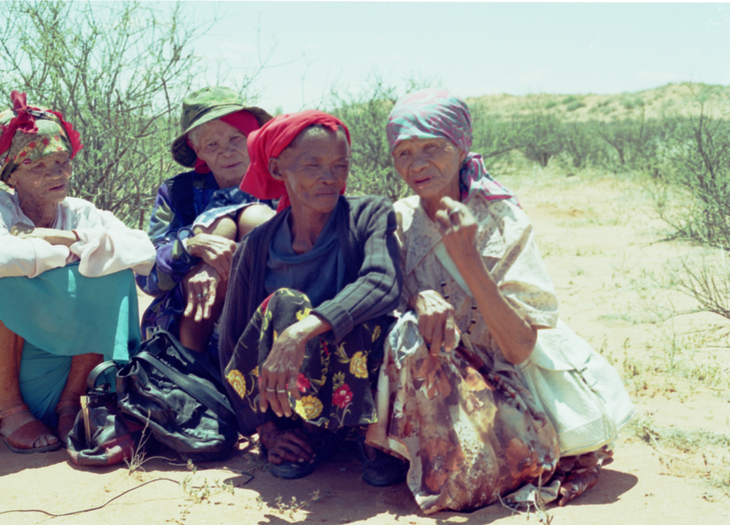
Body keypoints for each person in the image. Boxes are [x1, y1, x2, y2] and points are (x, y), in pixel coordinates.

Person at [366, 89, 611, 513]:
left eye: (433, 148)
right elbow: (380, 292)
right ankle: (392, 448)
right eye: (404, 152)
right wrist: (417, 298)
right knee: (403, 328)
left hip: (504, 378)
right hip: (435, 374)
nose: (417, 164)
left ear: (461, 148)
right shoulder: (399, 219)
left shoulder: (504, 222)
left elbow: (519, 348)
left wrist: (468, 259)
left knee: (472, 484)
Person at [0, 91, 156, 453]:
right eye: (38, 167)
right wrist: (76, 254)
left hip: (62, 374)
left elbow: (142, 250)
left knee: (113, 271)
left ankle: (71, 403)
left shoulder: (80, 213)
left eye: (61, 161)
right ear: (11, 177)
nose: (56, 174)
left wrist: (67, 238)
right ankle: (8, 410)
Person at [219, 110, 406, 483]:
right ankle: (299, 434)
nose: (329, 178)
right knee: (285, 302)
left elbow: (382, 283)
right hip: (290, 406)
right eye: (313, 165)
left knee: (367, 317)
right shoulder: (257, 245)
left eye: (340, 165)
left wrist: (299, 333)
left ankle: (368, 437)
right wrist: (267, 430)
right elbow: (233, 339)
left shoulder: (369, 214)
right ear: (277, 169)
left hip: (360, 388)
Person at [137, 86, 275, 355]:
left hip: (270, 308)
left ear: (253, 138)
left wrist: (216, 270)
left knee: (256, 221)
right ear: (197, 150)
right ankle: (192, 369)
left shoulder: (282, 182)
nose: (226, 151)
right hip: (189, 320)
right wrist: (192, 246)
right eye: (212, 144)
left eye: (236, 138)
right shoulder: (179, 193)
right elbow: (148, 278)